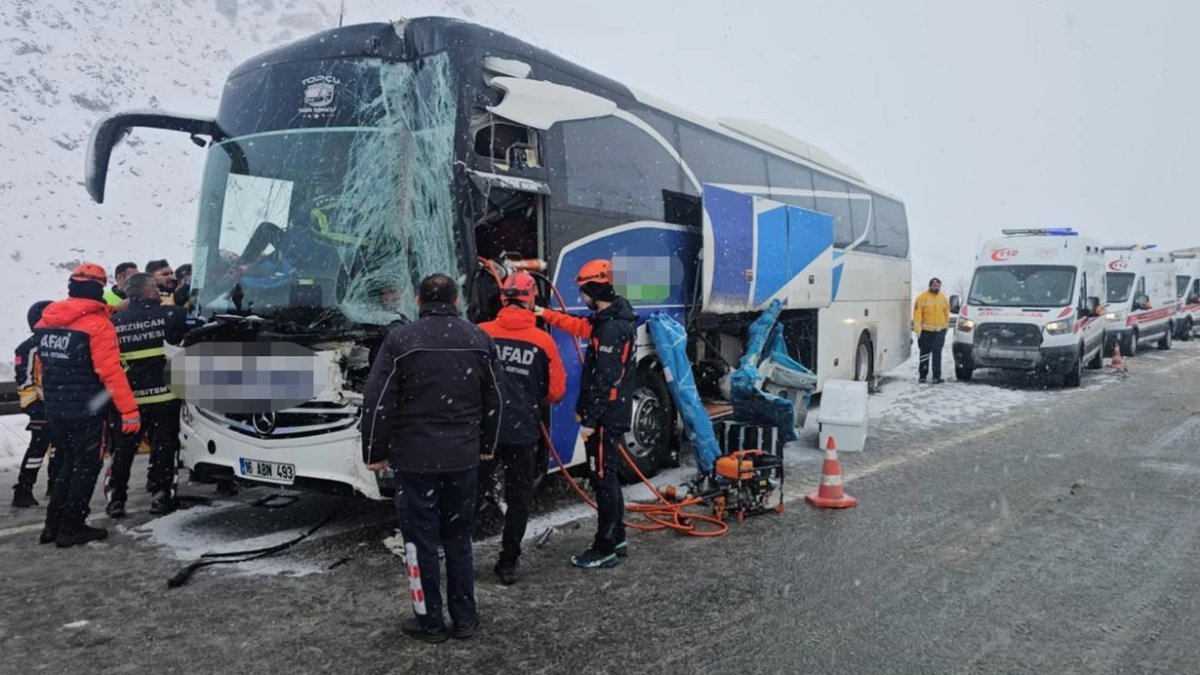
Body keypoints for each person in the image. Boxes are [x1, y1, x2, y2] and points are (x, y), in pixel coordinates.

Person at [361, 273, 502, 644]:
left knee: (419, 541)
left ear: (419, 302)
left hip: (415, 461)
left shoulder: (400, 340)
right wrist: (487, 444)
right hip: (462, 459)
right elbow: (495, 401)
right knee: (458, 538)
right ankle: (465, 618)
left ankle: (430, 622)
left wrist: (374, 452)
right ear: (455, 301)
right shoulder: (479, 339)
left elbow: (378, 402)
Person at [534, 259, 637, 570]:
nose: (581, 297)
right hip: (608, 416)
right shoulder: (609, 319)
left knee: (603, 480)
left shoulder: (612, 328)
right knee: (608, 478)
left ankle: (604, 547)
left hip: (605, 419)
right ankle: (617, 538)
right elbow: (578, 326)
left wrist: (589, 421)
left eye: (583, 290)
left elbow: (606, 380)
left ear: (594, 287)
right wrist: (543, 313)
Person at [34, 263, 140, 548]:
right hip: (87, 409)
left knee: (68, 463)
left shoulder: (47, 322)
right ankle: (72, 526)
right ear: (99, 288)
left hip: (56, 407)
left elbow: (45, 365)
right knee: (86, 466)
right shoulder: (97, 325)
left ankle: (52, 525)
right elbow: (111, 372)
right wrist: (129, 411)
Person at [478, 272, 566, 584]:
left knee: (470, 495)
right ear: (531, 301)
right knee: (518, 500)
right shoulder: (543, 341)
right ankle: (507, 563)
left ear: (502, 298)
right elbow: (556, 392)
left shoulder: (481, 333)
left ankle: (458, 556)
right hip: (523, 432)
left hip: (485, 433)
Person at [105, 273, 192, 517]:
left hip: (129, 402)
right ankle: (160, 496)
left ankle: (116, 499)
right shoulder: (171, 316)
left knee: (122, 451)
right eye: (154, 287)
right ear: (146, 292)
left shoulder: (116, 322)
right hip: (166, 396)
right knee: (164, 448)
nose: (158, 291)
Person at [11, 300, 60, 507]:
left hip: (60, 405)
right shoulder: (29, 347)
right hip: (39, 405)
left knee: (60, 447)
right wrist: (32, 405)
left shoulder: (61, 342)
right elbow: (24, 379)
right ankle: (24, 488)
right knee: (38, 447)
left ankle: (55, 484)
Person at [912, 277, 951, 384]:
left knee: (937, 354)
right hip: (926, 331)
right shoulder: (921, 298)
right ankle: (923, 376)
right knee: (924, 354)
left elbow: (946, 314)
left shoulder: (943, 298)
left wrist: (945, 328)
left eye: (938, 286)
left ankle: (936, 377)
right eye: (934, 286)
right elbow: (917, 315)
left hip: (939, 331)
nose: (936, 288)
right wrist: (918, 330)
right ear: (930, 286)